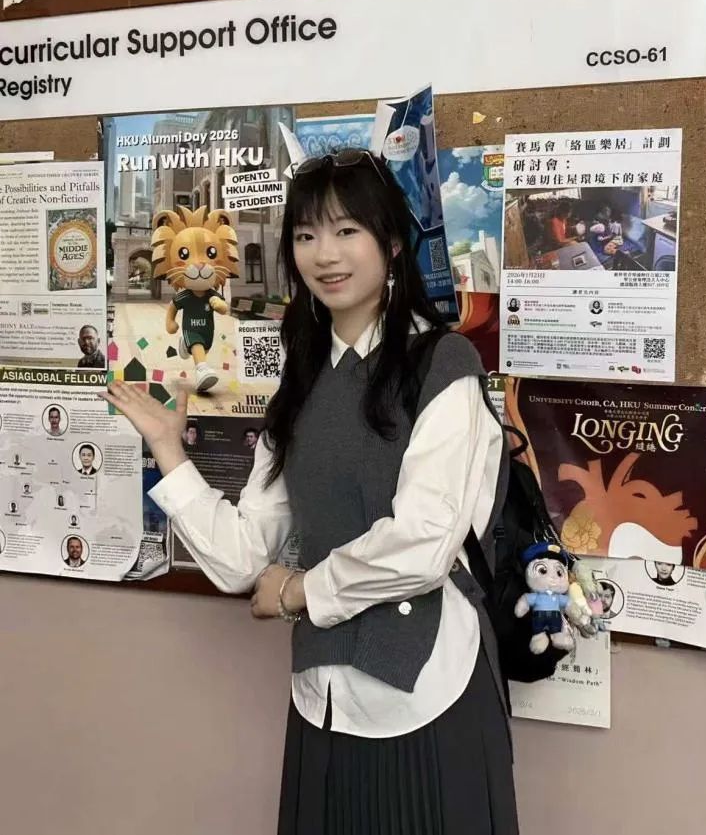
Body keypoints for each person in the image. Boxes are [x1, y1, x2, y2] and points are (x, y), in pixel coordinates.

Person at [103, 149, 518, 835]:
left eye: (347, 230)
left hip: (428, 692)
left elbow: (424, 543)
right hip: (321, 695)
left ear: (392, 242)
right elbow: (243, 558)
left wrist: (300, 591)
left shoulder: (443, 364)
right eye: (305, 235)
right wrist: (169, 451)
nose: (325, 254)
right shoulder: (301, 381)